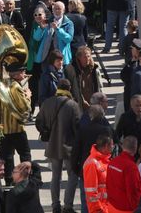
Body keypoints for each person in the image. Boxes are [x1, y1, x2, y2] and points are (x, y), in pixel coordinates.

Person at [36, 77, 81, 213]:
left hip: (52, 145)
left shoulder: (47, 103)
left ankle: (55, 205)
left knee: (55, 176)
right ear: (69, 89)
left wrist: (47, 132)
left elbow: (39, 123)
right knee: (72, 175)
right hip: (69, 146)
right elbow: (78, 127)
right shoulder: (73, 105)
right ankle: (68, 206)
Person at [108, 136, 141, 213]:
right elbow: (133, 190)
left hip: (111, 206)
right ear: (135, 148)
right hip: (125, 209)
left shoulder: (112, 162)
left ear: (122, 146)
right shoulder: (131, 166)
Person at [67, 45, 103, 111]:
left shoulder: (94, 68)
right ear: (79, 58)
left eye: (89, 56)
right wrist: (82, 100)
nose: (87, 59)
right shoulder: (71, 69)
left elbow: (99, 86)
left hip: (93, 105)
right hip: (78, 106)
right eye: (85, 57)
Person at [84, 134, 114, 213]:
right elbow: (91, 191)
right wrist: (98, 209)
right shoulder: (92, 164)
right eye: (112, 145)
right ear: (106, 146)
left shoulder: (105, 161)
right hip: (99, 209)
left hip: (107, 207)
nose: (113, 147)